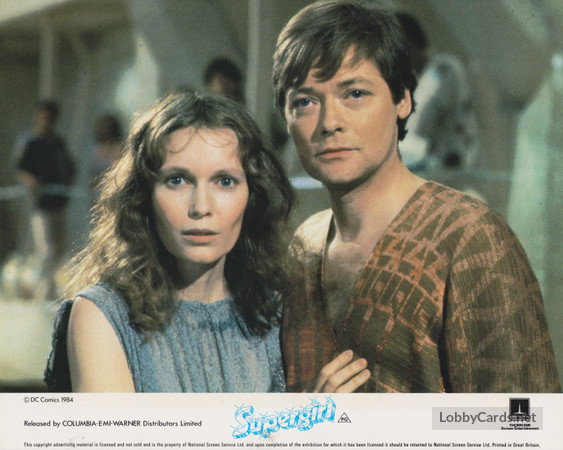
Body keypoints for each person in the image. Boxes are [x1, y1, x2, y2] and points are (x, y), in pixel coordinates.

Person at [272, 0, 560, 393]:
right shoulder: (304, 247)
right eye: (304, 102)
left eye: (354, 93)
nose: (329, 123)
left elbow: (525, 418)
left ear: (402, 99)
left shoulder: (470, 238)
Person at [44, 91, 369, 393]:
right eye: (177, 180)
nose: (201, 207)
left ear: (253, 195)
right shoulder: (102, 314)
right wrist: (304, 426)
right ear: (144, 195)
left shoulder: (277, 309)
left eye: (225, 181)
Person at [397, 12, 479, 170]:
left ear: (410, 45)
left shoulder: (443, 70)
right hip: (431, 166)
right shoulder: (416, 79)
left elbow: (418, 121)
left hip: (451, 167)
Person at [17, 100, 75, 300]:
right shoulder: (31, 144)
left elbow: (69, 167)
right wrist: (31, 182)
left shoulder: (58, 144)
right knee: (47, 251)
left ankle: (52, 291)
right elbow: (22, 169)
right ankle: (42, 295)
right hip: (41, 205)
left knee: (60, 250)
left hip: (58, 203)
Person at [89, 113, 124, 187]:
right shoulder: (98, 148)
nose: (104, 131)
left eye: (107, 128)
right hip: (97, 187)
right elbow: (92, 172)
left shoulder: (119, 148)